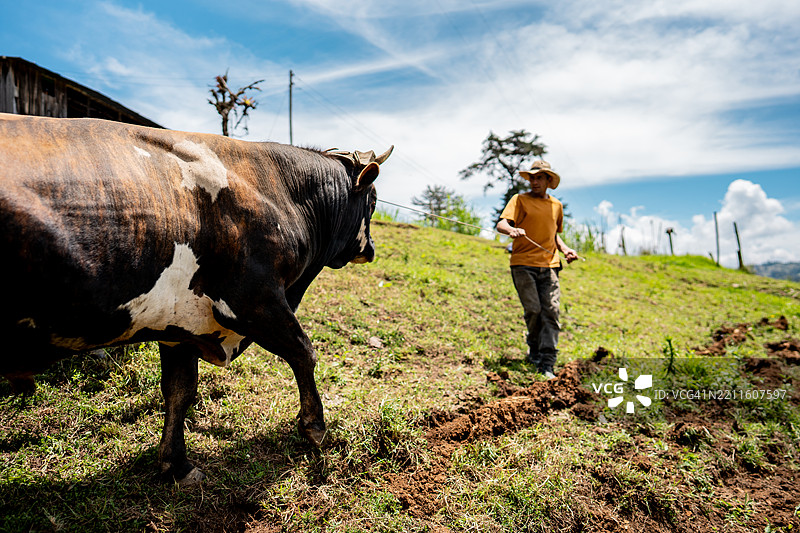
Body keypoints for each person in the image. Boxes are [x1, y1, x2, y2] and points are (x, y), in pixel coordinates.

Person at [496, 160, 579, 379]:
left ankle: (547, 362)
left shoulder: (556, 206)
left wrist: (566, 249)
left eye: (539, 177)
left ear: (549, 181)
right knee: (533, 310)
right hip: (523, 264)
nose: (535, 181)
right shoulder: (519, 200)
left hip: (549, 265)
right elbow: (501, 224)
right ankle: (534, 347)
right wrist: (511, 230)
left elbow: (554, 235)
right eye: (532, 177)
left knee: (551, 311)